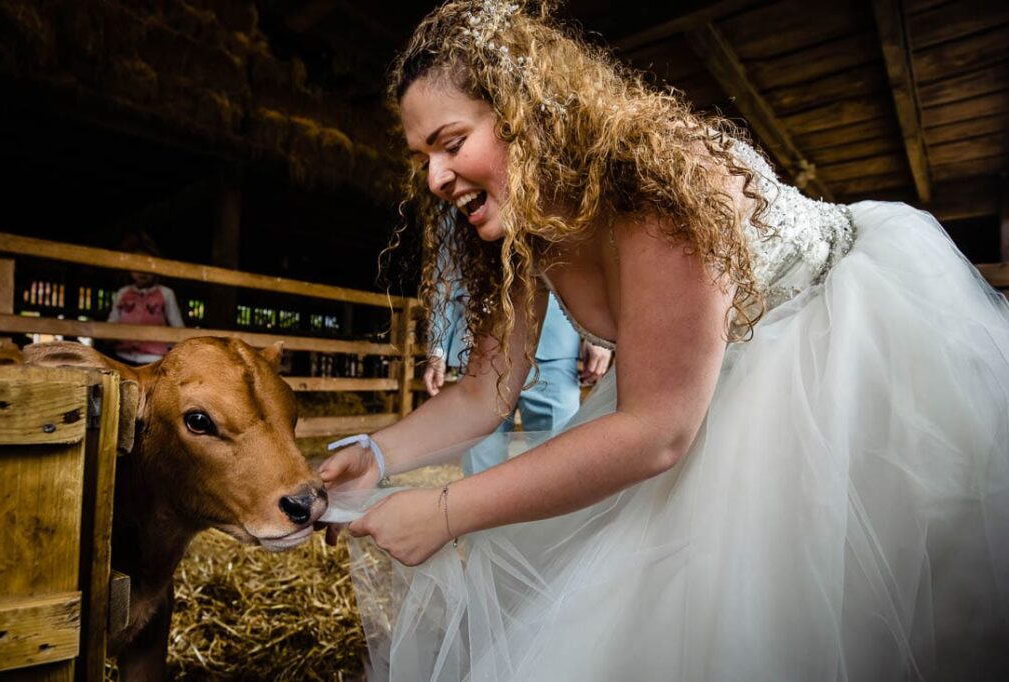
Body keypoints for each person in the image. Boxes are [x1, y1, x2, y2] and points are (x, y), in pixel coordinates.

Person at [318, 2, 1009, 680]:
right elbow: (484, 390)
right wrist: (378, 454)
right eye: (423, 158)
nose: (436, 178)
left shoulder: (656, 188)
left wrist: (446, 511)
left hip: (841, 355)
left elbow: (658, 432)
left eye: (451, 142)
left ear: (524, 114)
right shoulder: (522, 234)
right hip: (697, 389)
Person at [425, 277, 612, 474]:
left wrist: (597, 334)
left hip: (555, 346)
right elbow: (446, 274)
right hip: (479, 348)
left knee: (559, 461)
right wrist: (437, 348)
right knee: (480, 459)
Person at [107, 235, 185, 365]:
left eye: (148, 266)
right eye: (137, 265)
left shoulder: (166, 293)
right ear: (129, 268)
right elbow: (112, 321)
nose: (142, 271)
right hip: (123, 355)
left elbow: (177, 325)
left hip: (155, 358)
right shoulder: (123, 293)